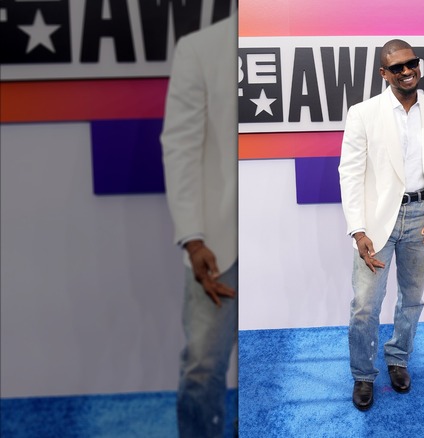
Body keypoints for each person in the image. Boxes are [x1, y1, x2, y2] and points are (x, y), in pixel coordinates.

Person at [338, 39, 424, 411]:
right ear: (384, 73)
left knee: (411, 299)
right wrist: (358, 230)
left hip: (423, 218)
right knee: (364, 305)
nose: (407, 71)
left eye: (412, 63)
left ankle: (398, 358)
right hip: (377, 223)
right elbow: (351, 174)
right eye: (397, 67)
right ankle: (363, 374)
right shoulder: (363, 113)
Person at [160, 15, 238, 438]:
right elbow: (181, 147)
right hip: (219, 245)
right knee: (202, 367)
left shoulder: (296, 34)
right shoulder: (200, 47)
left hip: (278, 245)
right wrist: (192, 238)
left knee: (270, 364)